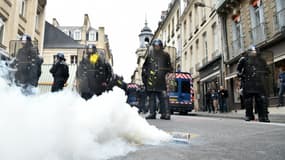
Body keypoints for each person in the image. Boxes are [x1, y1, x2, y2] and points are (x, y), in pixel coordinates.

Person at [237, 46, 270, 122]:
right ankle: (249, 115)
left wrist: (266, 73)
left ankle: (263, 116)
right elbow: (238, 70)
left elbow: (267, 69)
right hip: (248, 82)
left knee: (261, 99)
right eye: (252, 52)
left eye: (255, 52)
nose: (254, 53)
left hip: (259, 82)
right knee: (248, 100)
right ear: (249, 52)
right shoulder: (243, 59)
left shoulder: (261, 60)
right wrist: (241, 75)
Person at [142, 39, 172, 120]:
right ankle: (152, 113)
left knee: (164, 96)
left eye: (158, 46)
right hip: (151, 80)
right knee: (152, 97)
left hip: (161, 79)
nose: (157, 47)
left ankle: (166, 113)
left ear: (161, 46)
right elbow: (145, 67)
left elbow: (170, 67)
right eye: (155, 46)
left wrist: (168, 73)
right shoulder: (149, 56)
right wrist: (145, 76)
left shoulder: (166, 55)